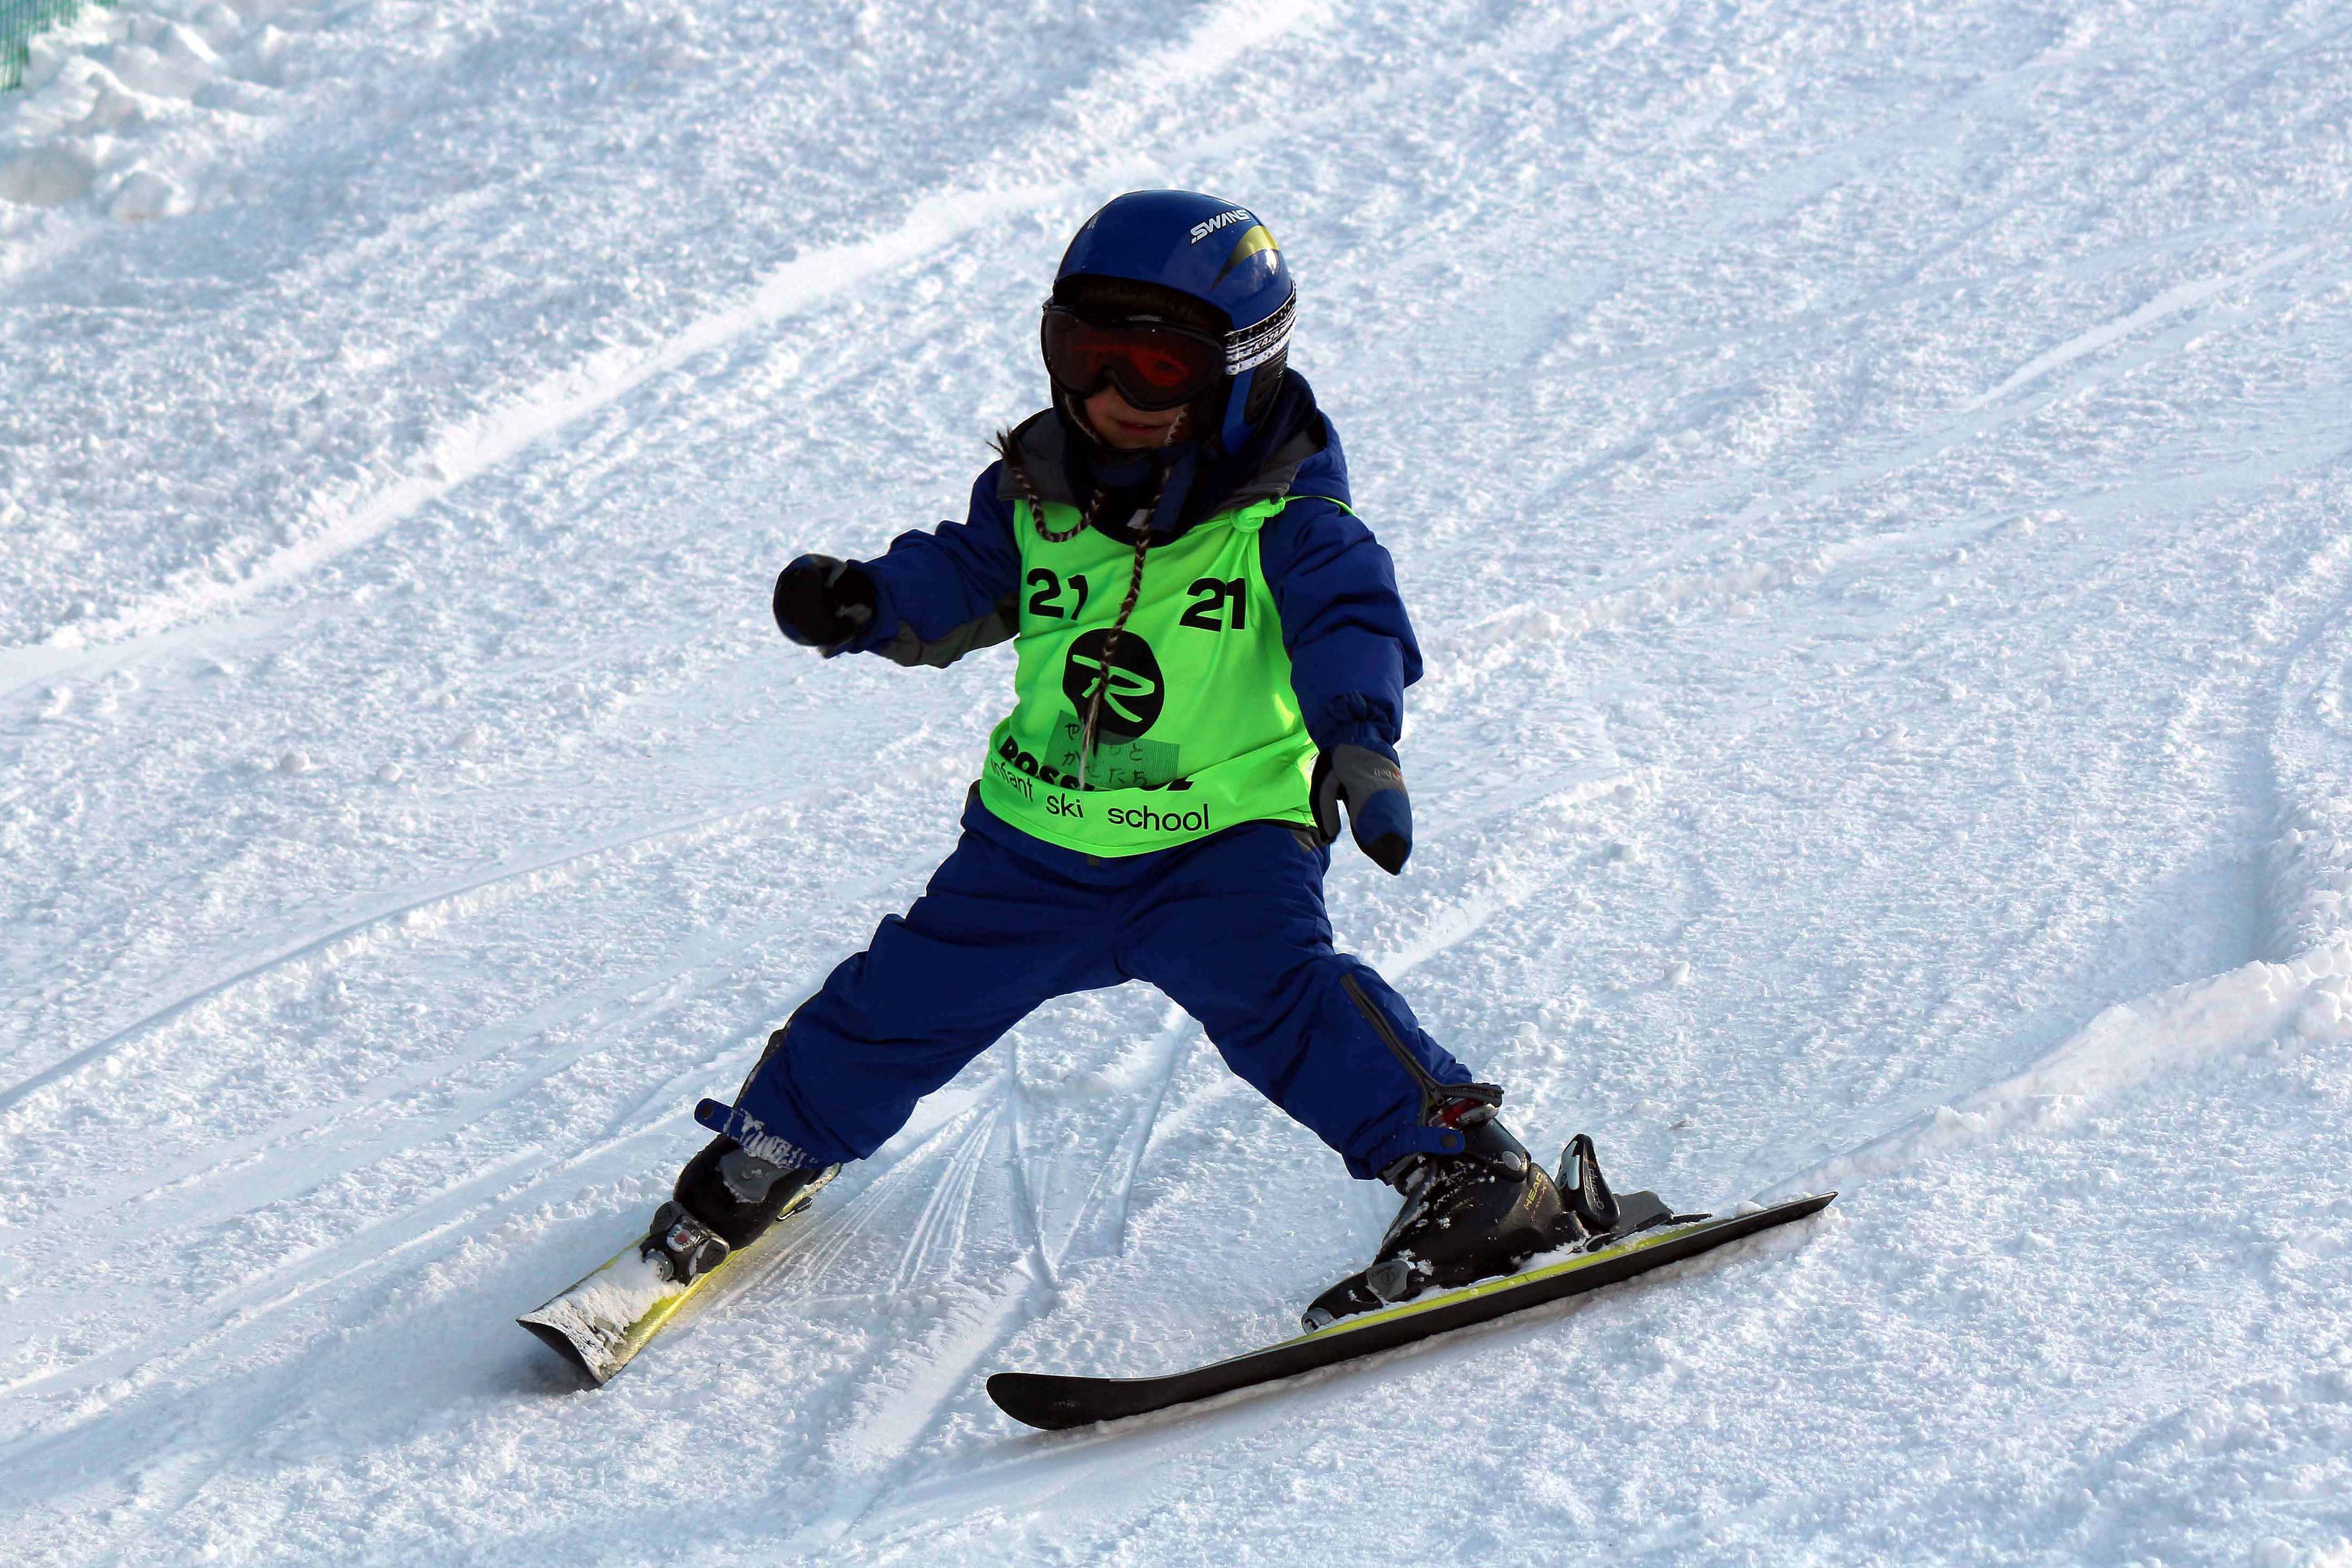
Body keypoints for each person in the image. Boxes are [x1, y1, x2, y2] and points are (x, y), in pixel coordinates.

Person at [637, 190, 1613, 1323]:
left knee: (1293, 1005)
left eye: (1154, 371)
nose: (1109, 396)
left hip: (1222, 843)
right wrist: (870, 600)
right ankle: (772, 1146)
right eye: (1083, 356)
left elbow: (1352, 624)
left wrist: (1362, 743)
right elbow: (964, 576)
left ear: (1241, 371)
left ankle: (1481, 1178)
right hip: (1034, 846)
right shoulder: (1037, 494)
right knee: (899, 999)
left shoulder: (1290, 523)